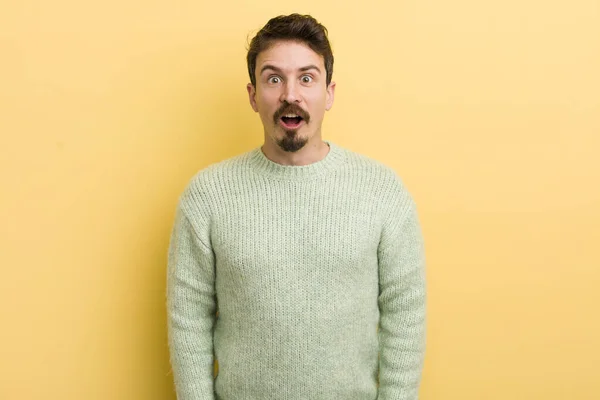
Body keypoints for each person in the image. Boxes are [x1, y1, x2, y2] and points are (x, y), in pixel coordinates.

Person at [166, 13, 427, 400]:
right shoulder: (207, 196)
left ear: (329, 93)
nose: (291, 94)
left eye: (307, 78)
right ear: (254, 95)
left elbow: (405, 315)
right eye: (274, 78)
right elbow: (188, 319)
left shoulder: (382, 191)